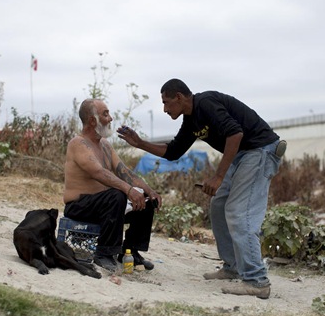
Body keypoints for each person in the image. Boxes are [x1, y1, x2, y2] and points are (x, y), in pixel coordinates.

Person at [117, 78, 285, 299]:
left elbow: (235, 134)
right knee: (218, 204)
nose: (165, 109)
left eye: (167, 103)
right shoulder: (191, 121)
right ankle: (233, 266)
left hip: (260, 151)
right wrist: (139, 143)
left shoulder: (205, 103)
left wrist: (218, 177)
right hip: (244, 155)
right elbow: (173, 151)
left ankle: (257, 280)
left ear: (179, 97)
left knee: (238, 213)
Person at [63, 98, 162, 273]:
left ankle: (130, 252)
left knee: (145, 200)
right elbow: (99, 173)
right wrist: (128, 190)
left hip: (107, 207)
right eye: (105, 114)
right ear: (93, 120)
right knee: (117, 194)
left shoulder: (105, 145)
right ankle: (104, 254)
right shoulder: (78, 143)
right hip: (79, 206)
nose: (110, 118)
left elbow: (125, 172)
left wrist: (149, 191)